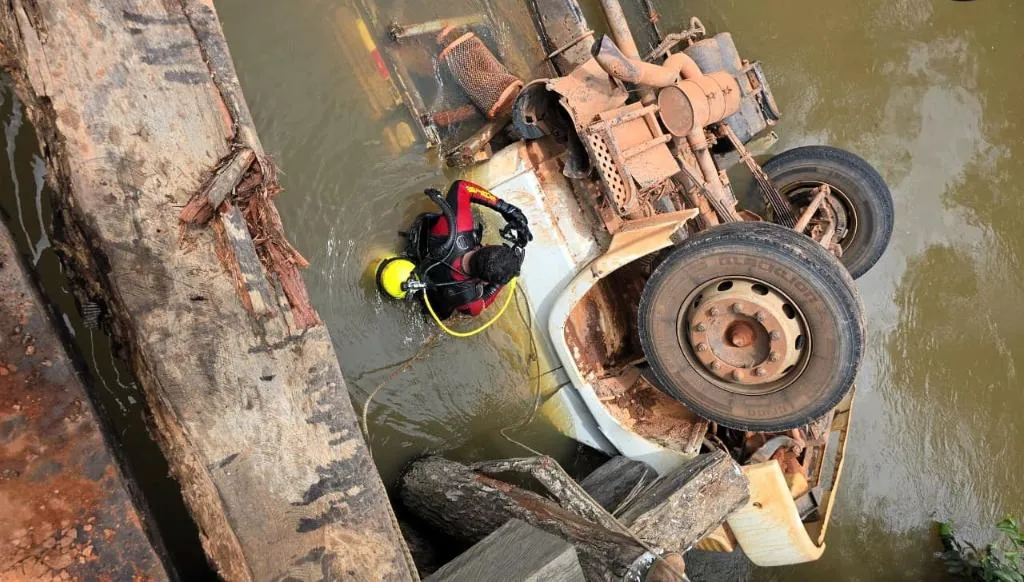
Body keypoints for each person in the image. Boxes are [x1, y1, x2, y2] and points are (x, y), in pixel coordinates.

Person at [416, 180, 531, 319]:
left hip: (418, 251)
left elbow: (462, 187)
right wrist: (500, 284)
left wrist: (507, 209)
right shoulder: (469, 301)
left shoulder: (456, 227)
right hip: (437, 296)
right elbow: (482, 304)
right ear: (484, 281)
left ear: (486, 246)